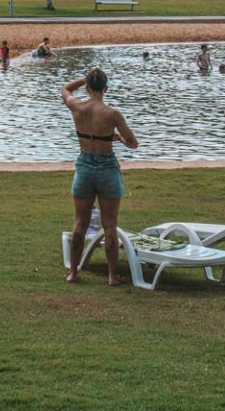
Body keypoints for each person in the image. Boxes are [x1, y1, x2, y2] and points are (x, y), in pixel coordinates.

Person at [61, 67, 137, 286]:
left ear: (87, 87)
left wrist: (85, 78)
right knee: (110, 224)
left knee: (80, 223)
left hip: (84, 165)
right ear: (106, 88)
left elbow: (65, 89)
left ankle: (73, 273)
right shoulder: (112, 114)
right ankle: (113, 276)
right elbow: (133, 144)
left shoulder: (77, 106)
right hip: (106, 168)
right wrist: (118, 139)